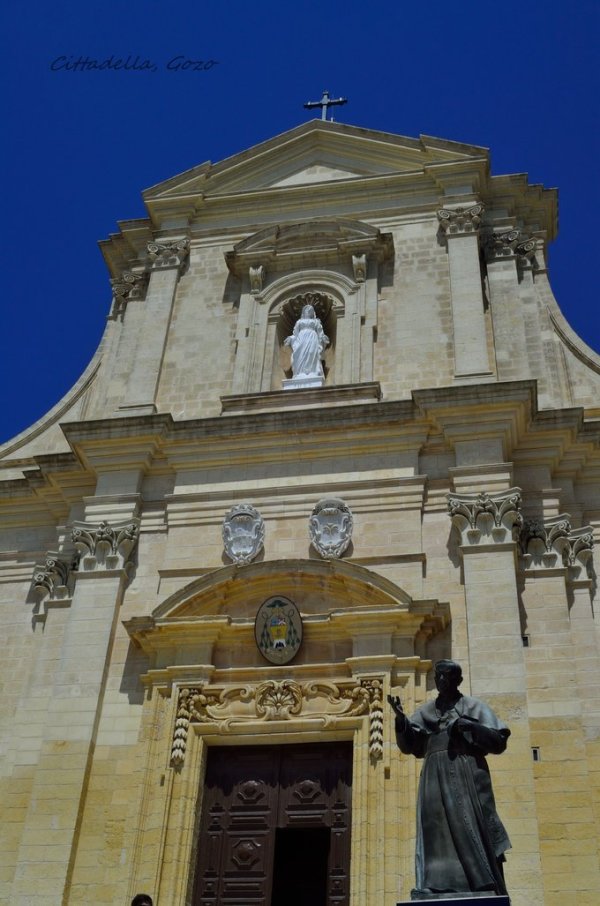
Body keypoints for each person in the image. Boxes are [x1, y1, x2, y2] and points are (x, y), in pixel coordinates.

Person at [388, 660, 511, 899]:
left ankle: (482, 883)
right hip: (433, 774)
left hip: (465, 772)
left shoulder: (473, 707)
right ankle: (435, 884)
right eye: (438, 676)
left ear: (458, 681)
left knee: (472, 825)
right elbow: (411, 745)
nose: (441, 681)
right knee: (434, 830)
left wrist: (470, 726)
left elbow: (498, 742)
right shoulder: (426, 711)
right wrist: (401, 721)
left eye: (446, 676)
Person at [284, 304, 329, 378]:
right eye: (306, 310)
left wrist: (323, 338)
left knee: (311, 352)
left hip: (312, 338)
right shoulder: (299, 322)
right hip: (301, 339)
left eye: (310, 310)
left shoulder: (316, 322)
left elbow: (320, 332)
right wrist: (291, 338)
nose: (308, 312)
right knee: (301, 354)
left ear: (312, 312)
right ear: (303, 312)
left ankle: (313, 371)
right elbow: (295, 334)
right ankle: (300, 372)